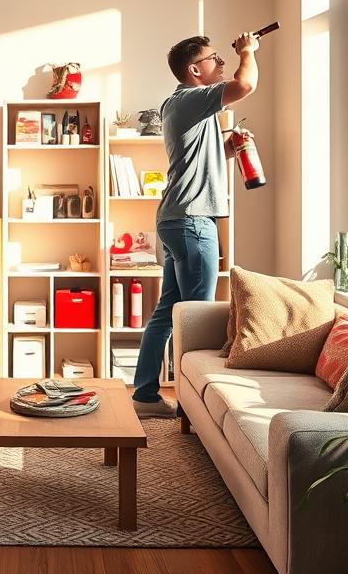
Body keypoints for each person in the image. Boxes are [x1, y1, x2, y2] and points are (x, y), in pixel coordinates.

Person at [131, 32, 260, 418]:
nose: (221, 63)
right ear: (194, 69)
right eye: (214, 58)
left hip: (176, 219)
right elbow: (245, 84)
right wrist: (248, 51)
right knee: (199, 319)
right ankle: (195, 408)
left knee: (169, 310)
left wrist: (229, 146)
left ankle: (145, 395)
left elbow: (197, 158)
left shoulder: (182, 105)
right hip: (191, 221)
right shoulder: (191, 97)